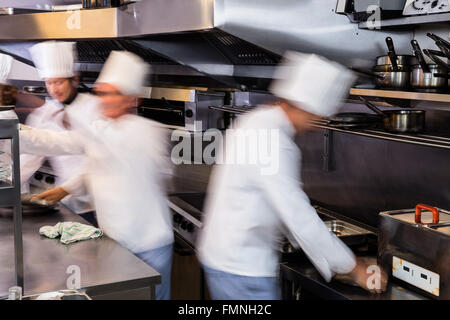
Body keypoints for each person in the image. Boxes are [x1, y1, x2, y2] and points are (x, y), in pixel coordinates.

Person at [197, 52, 388, 300]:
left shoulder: (257, 121)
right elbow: (297, 214)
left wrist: (334, 259)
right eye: (318, 117)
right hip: (242, 269)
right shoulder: (273, 141)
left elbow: (280, 204)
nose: (317, 124)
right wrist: (355, 268)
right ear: (306, 108)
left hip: (226, 258)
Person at [19, 50, 174, 300]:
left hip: (149, 245)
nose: (102, 100)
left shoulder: (145, 131)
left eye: (109, 93)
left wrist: (74, 117)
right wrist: (14, 133)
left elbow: (114, 151)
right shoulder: (101, 128)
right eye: (101, 93)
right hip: (115, 241)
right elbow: (62, 144)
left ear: (131, 99)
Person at [21, 41, 99, 225]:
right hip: (65, 204)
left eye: (59, 82)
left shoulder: (95, 108)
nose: (54, 89)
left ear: (74, 80)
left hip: (96, 205)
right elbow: (29, 158)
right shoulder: (43, 115)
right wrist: (7, 184)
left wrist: (67, 188)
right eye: (49, 83)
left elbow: (97, 159)